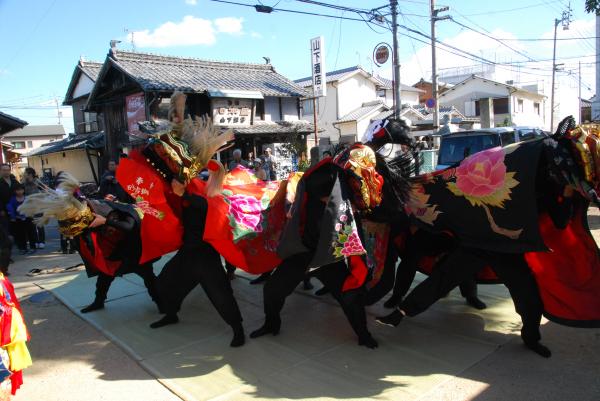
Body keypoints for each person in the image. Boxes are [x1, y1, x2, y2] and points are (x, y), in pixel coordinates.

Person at [151, 178, 245, 347]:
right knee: (164, 282)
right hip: (187, 252)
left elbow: (207, 206)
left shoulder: (202, 197)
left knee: (220, 294)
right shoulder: (183, 195)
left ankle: (238, 329)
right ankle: (172, 314)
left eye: (175, 183)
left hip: (206, 255)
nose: (172, 186)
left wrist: (185, 194)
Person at [6, 184, 36, 255]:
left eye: (21, 190)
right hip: (18, 220)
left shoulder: (27, 198)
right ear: (15, 191)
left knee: (30, 233)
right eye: (17, 190)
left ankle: (32, 247)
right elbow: (10, 208)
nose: (19, 191)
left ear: (23, 190)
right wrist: (13, 217)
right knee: (20, 234)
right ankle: (23, 248)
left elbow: (32, 207)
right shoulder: (12, 199)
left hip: (28, 218)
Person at [22, 167, 45, 249]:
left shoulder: (37, 181)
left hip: (38, 205)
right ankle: (35, 241)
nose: (24, 174)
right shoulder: (24, 183)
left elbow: (44, 190)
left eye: (25, 173)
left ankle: (42, 241)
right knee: (32, 224)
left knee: (39, 223)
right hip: (29, 206)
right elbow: (22, 193)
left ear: (30, 174)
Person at [0, 164, 17, 235]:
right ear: (0, 171)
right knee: (6, 231)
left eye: (8, 170)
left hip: (16, 209)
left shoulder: (14, 181)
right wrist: (1, 210)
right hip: (4, 211)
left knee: (17, 230)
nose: (6, 172)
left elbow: (22, 191)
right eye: (4, 170)